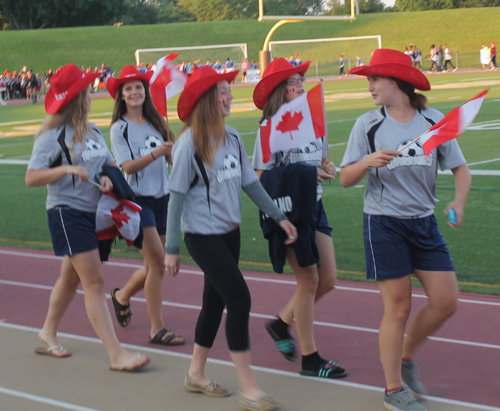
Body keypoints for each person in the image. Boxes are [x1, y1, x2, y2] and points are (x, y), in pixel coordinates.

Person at [340, 48, 471, 411]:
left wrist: (457, 202)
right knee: (398, 308)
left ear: (397, 81)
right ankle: (393, 390)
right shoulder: (368, 125)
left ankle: (406, 357)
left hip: (425, 223)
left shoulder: (432, 120)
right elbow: (346, 178)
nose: (369, 86)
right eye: (368, 80)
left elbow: (460, 169)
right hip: (383, 224)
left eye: (374, 79)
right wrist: (366, 162)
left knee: (446, 302)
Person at [164, 66, 297, 411]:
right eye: (223, 91)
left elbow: (251, 184)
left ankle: (195, 373)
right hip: (202, 237)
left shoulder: (234, 137)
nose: (230, 96)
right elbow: (176, 197)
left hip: (230, 234)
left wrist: (280, 217)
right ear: (209, 100)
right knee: (239, 300)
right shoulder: (188, 145)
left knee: (214, 303)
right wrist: (172, 248)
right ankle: (248, 388)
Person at [25, 63, 150, 372]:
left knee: (70, 277)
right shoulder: (52, 135)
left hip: (92, 213)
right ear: (77, 98)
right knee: (94, 281)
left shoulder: (92, 129)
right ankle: (116, 355)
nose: (92, 94)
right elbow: (31, 177)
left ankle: (48, 331)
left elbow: (108, 163)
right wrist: (66, 169)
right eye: (87, 91)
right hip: (67, 213)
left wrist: (108, 178)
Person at [252, 57, 346, 381]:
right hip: (288, 212)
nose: (300, 85)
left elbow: (323, 159)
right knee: (308, 280)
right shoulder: (269, 129)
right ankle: (310, 357)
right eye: (292, 81)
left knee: (328, 278)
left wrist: (328, 168)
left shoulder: (314, 121)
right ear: (280, 90)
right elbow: (260, 177)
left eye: (301, 79)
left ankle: (281, 323)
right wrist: (301, 178)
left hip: (314, 207)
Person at [106, 66, 185, 347]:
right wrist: (157, 153)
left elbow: (174, 160)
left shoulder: (158, 123)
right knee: (158, 264)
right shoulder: (119, 128)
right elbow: (126, 166)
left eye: (138, 87)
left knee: (155, 263)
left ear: (145, 91)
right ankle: (156, 329)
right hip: (137, 201)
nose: (134, 92)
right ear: (121, 96)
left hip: (163, 199)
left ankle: (122, 296)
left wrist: (175, 156)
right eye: (128, 89)